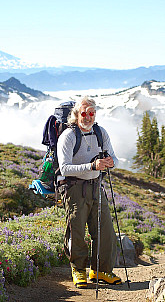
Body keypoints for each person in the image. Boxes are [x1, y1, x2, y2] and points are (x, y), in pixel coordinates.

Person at [57, 96, 122, 288]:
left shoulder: (101, 133)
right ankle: (78, 270)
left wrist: (111, 163)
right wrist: (92, 165)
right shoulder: (68, 137)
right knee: (77, 230)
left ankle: (101, 271)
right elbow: (64, 169)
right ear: (77, 115)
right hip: (74, 188)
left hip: (95, 185)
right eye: (84, 113)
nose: (88, 117)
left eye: (91, 113)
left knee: (105, 230)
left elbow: (115, 159)